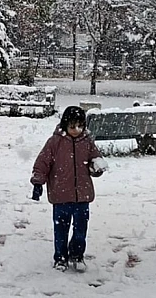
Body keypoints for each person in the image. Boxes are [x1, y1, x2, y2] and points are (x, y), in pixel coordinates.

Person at [30, 105, 107, 272]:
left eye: (80, 126)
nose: (76, 130)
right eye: (72, 126)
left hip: (82, 196)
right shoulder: (54, 142)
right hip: (61, 195)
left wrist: (97, 167)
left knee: (81, 229)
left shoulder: (87, 142)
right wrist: (38, 182)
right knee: (61, 229)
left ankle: (77, 255)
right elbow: (42, 163)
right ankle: (60, 257)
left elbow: (96, 159)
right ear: (65, 125)